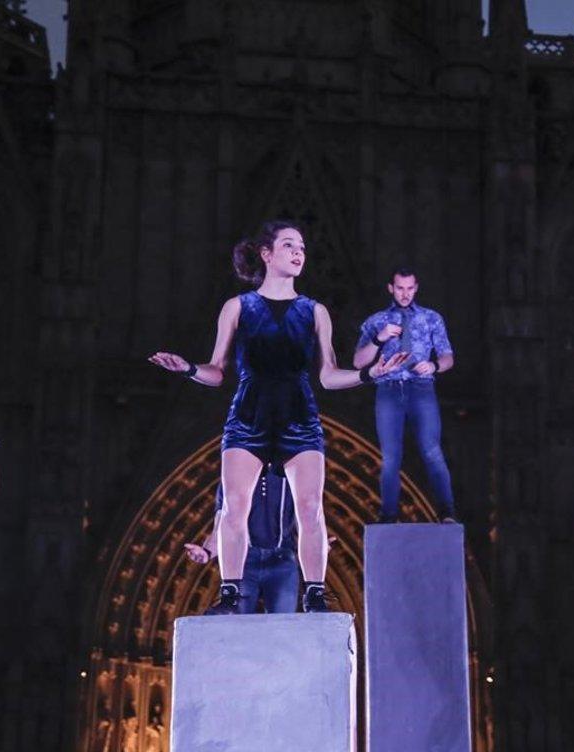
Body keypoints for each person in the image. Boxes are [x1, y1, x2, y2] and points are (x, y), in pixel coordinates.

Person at [150, 221, 406, 613]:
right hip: (249, 416)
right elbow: (218, 371)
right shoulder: (238, 307)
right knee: (234, 505)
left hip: (299, 416)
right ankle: (231, 594)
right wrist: (187, 368)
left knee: (309, 507)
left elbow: (328, 375)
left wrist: (370, 374)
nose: (298, 252)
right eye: (288, 245)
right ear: (266, 254)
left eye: (302, 246)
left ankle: (316, 592)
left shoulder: (315, 311)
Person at [353, 267, 457, 523]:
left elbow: (447, 357)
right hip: (388, 390)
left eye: (410, 288)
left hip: (421, 388)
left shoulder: (431, 318)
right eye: (400, 288)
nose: (405, 294)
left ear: (416, 288)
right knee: (390, 457)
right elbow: (358, 362)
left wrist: (434, 365)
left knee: (432, 451)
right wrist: (379, 339)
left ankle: (447, 512)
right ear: (391, 288)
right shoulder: (377, 321)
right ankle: (388, 515)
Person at [184, 472, 299, 614]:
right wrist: (207, 552)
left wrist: (318, 547)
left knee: (283, 627)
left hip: (282, 564)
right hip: (244, 563)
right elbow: (221, 527)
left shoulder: (292, 476)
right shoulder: (232, 479)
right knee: (236, 624)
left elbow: (306, 521)